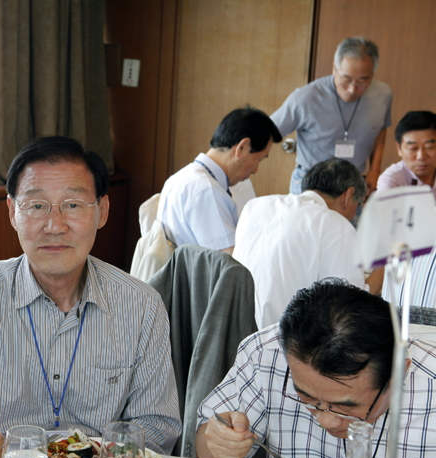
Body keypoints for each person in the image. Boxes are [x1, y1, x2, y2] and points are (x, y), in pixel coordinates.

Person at [0, 136, 181, 458]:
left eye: (73, 205)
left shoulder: (141, 305)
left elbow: (157, 424)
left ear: (102, 211)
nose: (55, 225)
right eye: (36, 206)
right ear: (12, 212)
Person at [195, 280, 436, 458]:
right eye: (307, 398)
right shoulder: (265, 354)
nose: (326, 421)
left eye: (345, 406)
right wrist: (220, 442)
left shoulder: (431, 382)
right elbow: (205, 451)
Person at [233, 158, 382, 329]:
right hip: (283, 336)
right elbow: (350, 307)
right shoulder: (337, 225)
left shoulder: (255, 205)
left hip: (236, 327)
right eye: (358, 204)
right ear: (348, 195)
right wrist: (386, 264)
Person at [272, 37, 392, 195]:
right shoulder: (306, 98)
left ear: (372, 74)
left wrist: (375, 169)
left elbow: (381, 129)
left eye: (363, 81)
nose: (352, 89)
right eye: (346, 79)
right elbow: (269, 132)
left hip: (354, 183)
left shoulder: (382, 95)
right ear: (334, 68)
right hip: (311, 181)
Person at [156, 106, 281, 254]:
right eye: (259, 159)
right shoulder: (207, 190)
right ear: (242, 147)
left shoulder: (180, 177)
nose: (255, 170)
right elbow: (229, 261)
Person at [376, 110, 436, 194]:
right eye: (413, 148)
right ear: (399, 148)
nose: (421, 156)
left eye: (429, 147)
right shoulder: (392, 180)